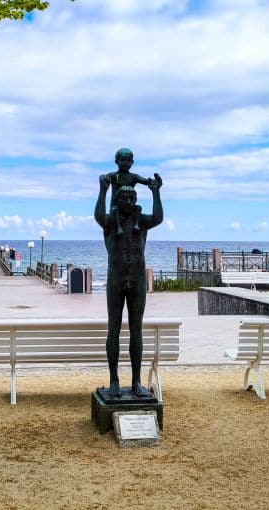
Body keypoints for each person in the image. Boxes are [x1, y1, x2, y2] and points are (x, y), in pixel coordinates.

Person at [94, 168, 163, 399]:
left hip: (136, 279)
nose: (127, 200)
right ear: (117, 199)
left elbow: (158, 218)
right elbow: (98, 216)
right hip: (116, 278)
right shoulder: (111, 222)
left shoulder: (140, 222)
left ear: (135, 200)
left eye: (131, 197)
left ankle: (136, 381)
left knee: (137, 330)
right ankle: (114, 379)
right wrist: (103, 191)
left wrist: (156, 193)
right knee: (113, 328)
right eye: (123, 197)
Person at [101, 148, 156, 214]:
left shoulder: (134, 177)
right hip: (115, 207)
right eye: (123, 160)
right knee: (115, 212)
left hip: (130, 207)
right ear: (116, 162)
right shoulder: (113, 175)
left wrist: (154, 182)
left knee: (137, 209)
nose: (126, 162)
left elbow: (147, 181)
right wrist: (102, 178)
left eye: (128, 160)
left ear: (132, 162)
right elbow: (104, 177)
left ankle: (136, 224)